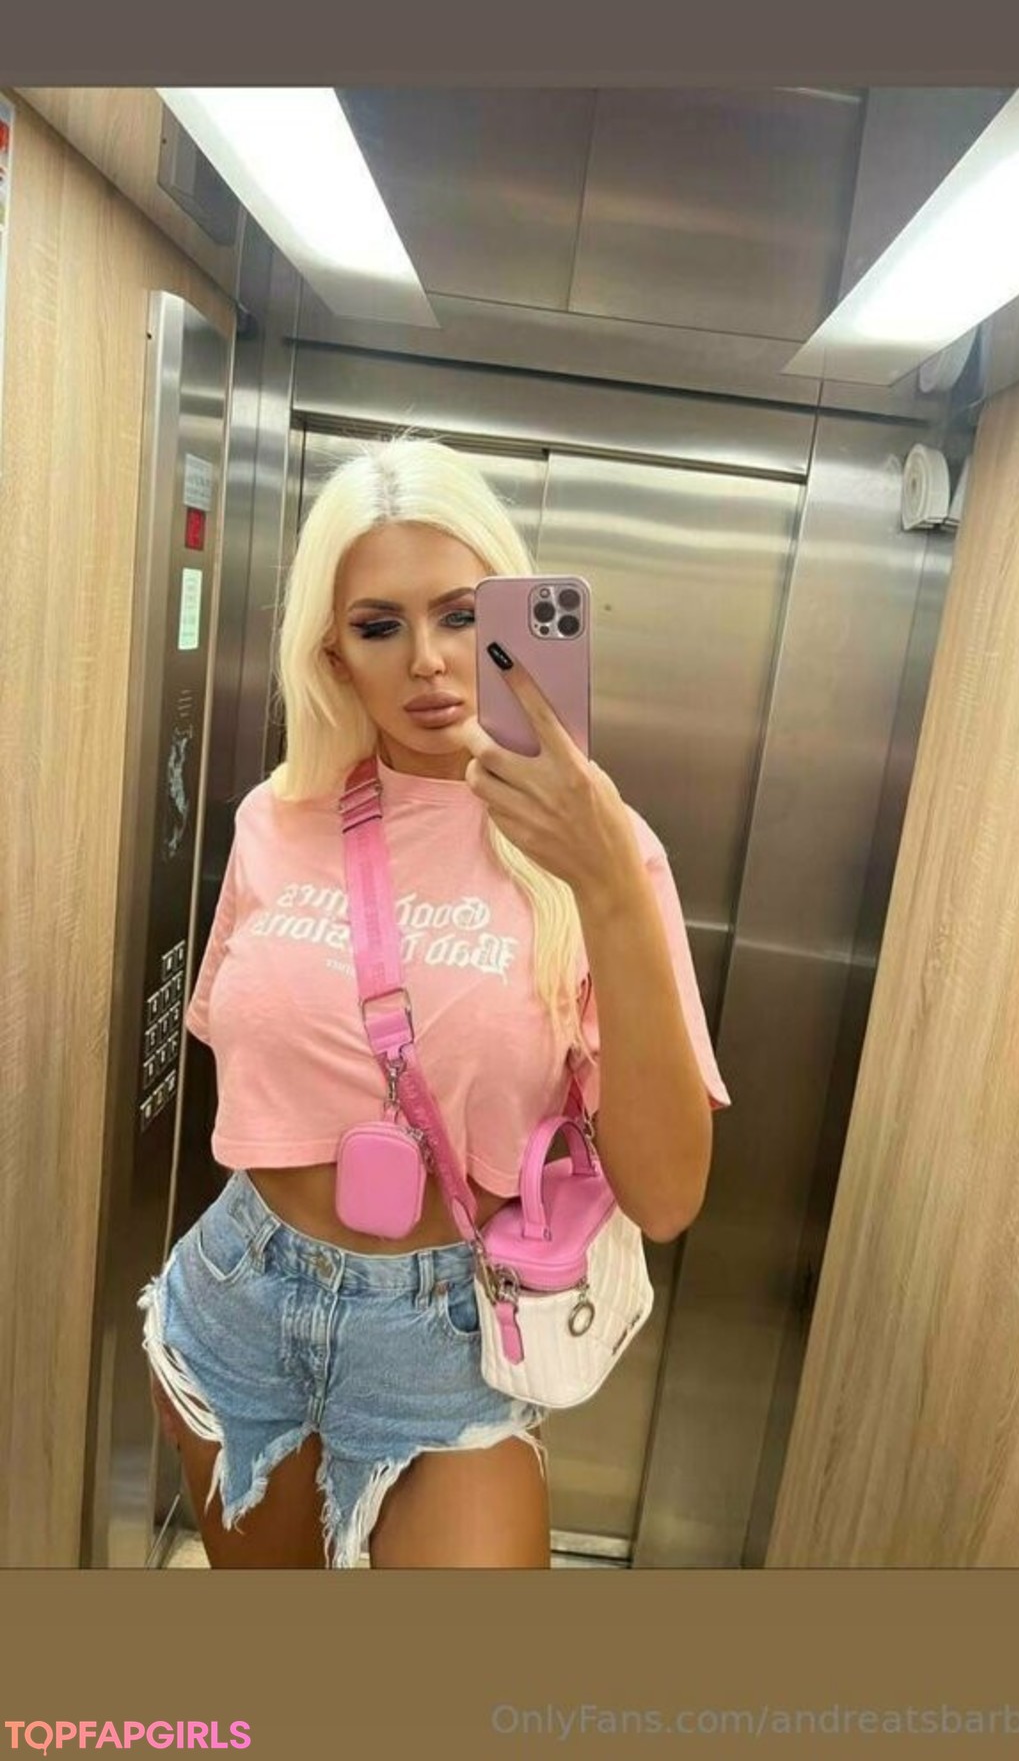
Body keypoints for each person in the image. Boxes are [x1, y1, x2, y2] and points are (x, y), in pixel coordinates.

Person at [140, 436, 731, 1569]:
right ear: (333, 651)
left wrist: (606, 885)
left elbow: (666, 1196)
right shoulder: (275, 818)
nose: (427, 661)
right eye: (379, 626)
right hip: (242, 1298)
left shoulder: (603, 852)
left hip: (447, 1332)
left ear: (509, 620)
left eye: (461, 615)